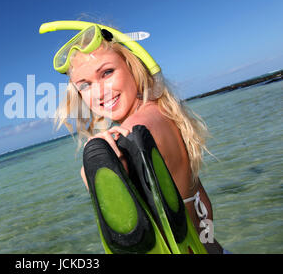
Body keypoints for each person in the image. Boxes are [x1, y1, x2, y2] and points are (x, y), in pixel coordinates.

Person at [43, 20, 225, 254]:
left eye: (107, 72)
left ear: (132, 66)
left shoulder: (134, 134)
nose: (99, 92)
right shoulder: (165, 112)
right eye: (85, 85)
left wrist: (97, 154)